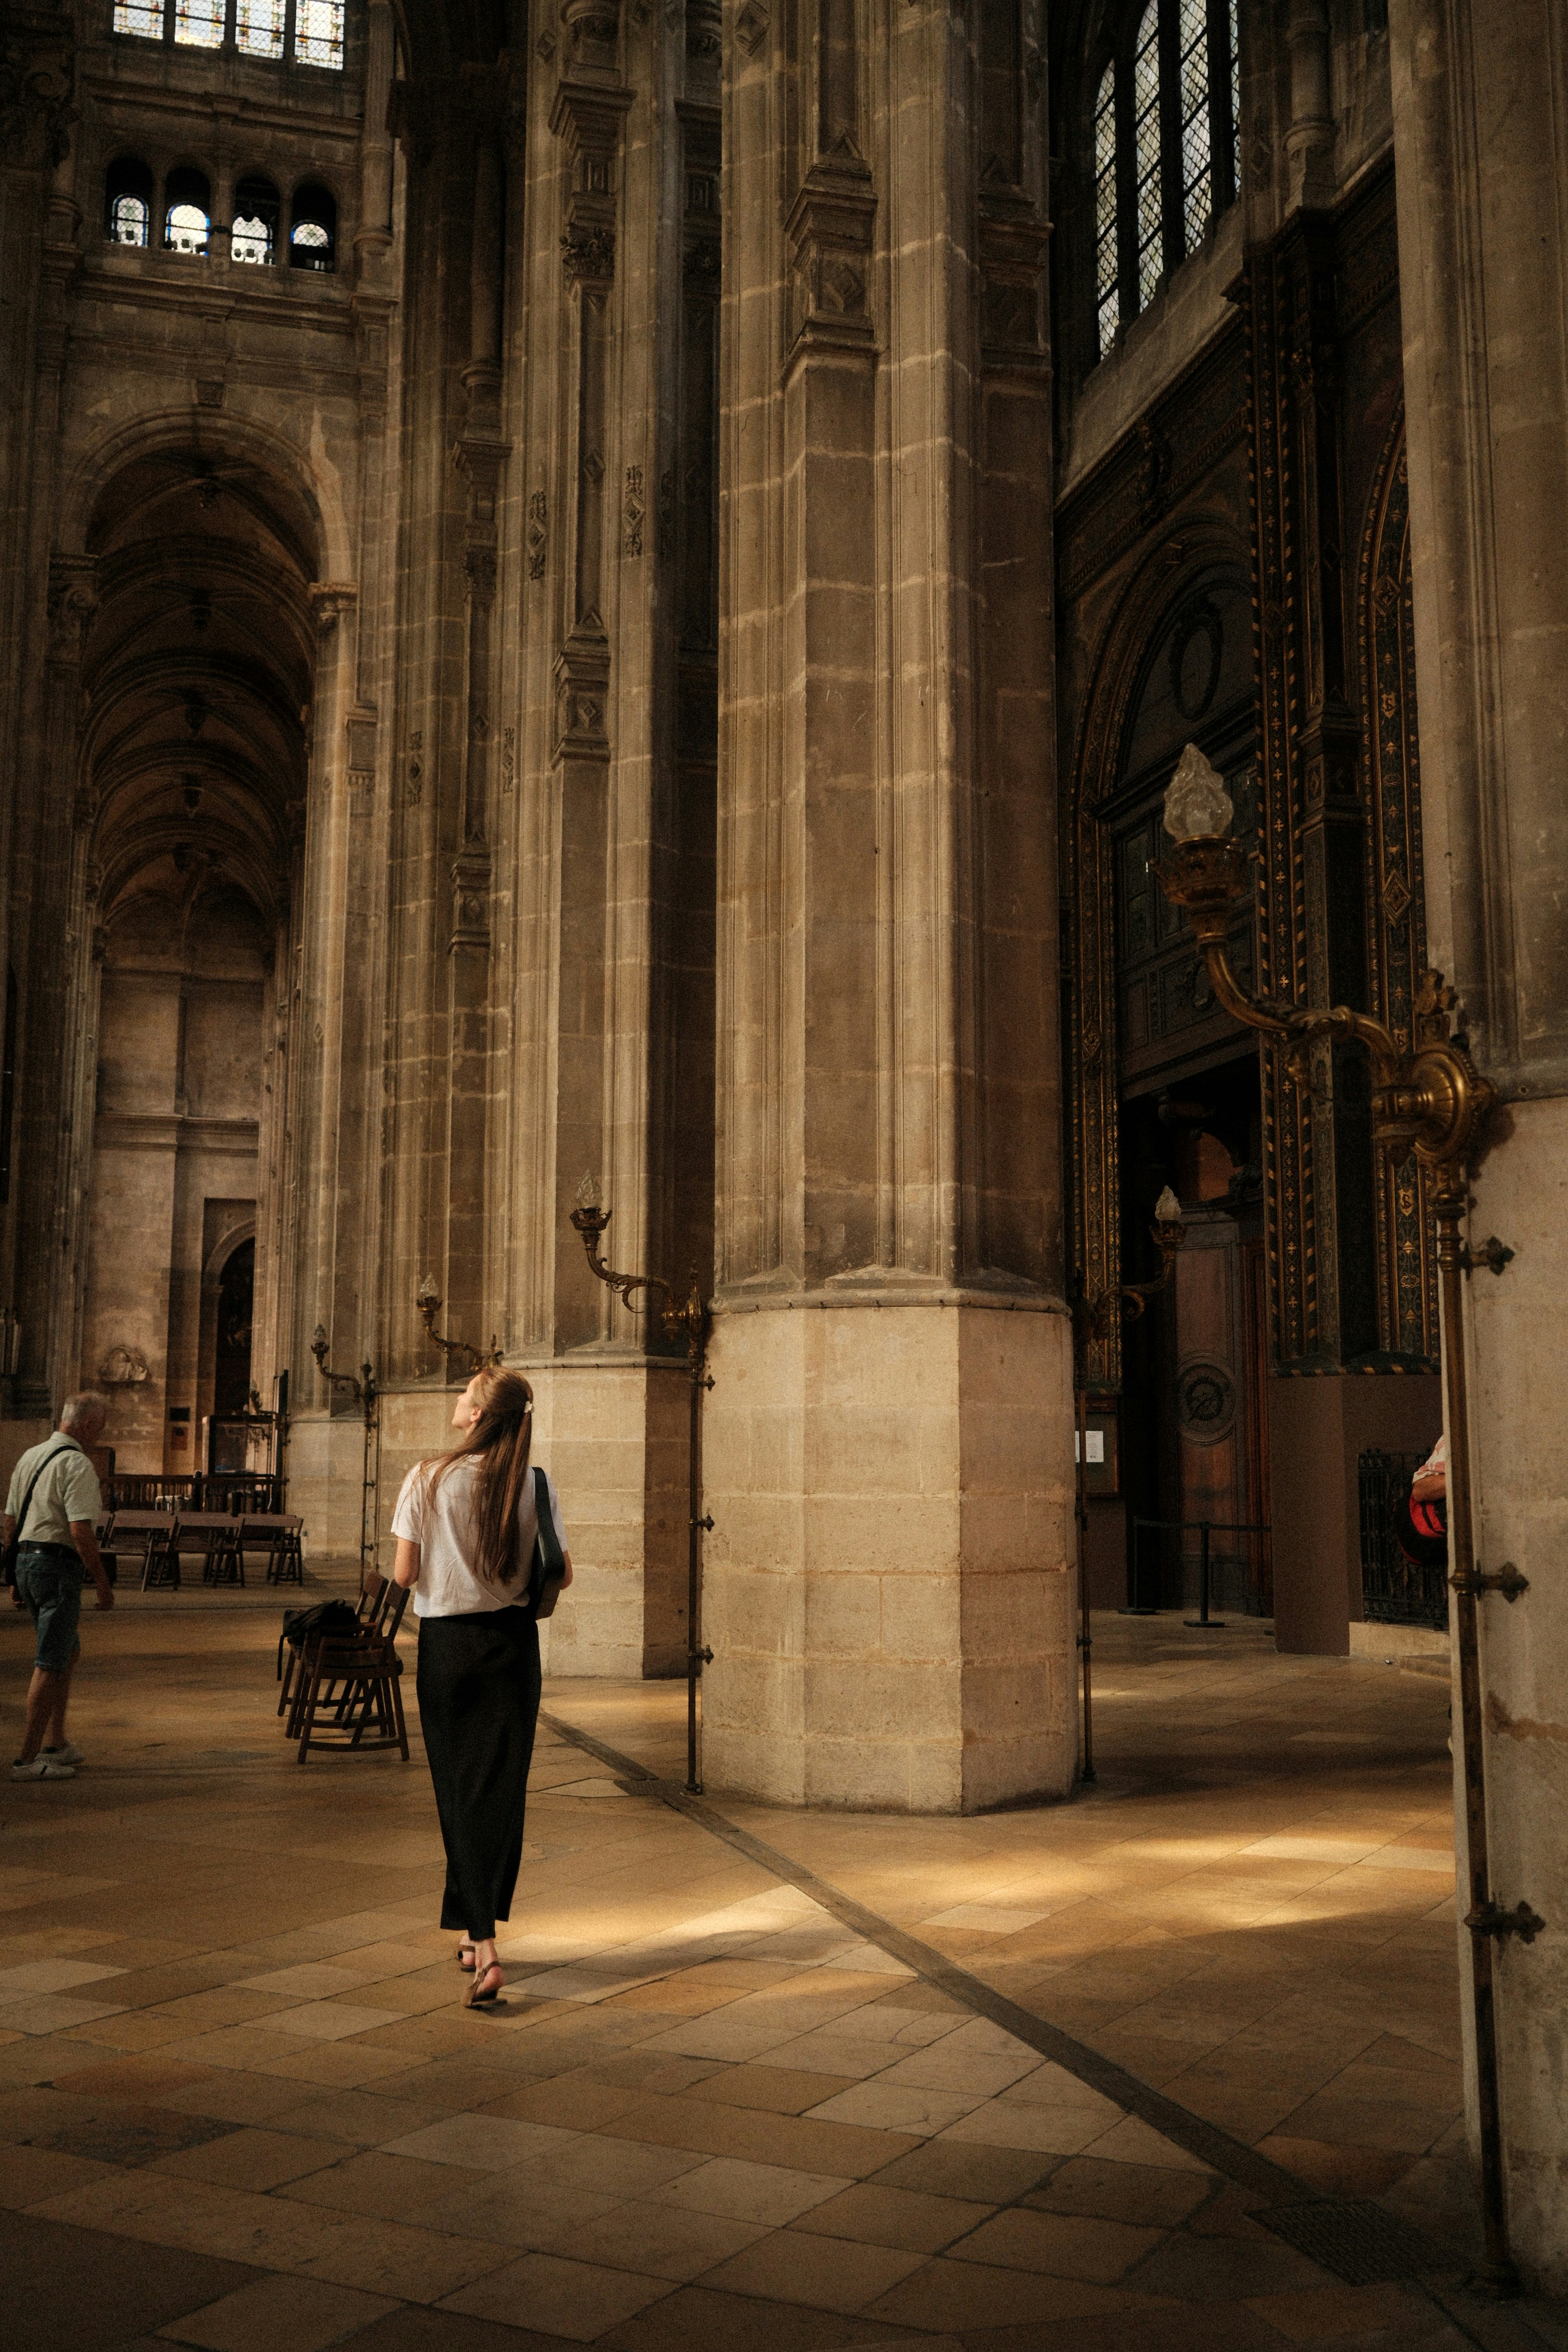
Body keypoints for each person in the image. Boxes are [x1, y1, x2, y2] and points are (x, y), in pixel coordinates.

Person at [391, 1366, 571, 2009]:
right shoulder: (534, 1483)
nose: (457, 1396)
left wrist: (450, 1567)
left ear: (477, 1416)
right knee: (498, 1792)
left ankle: (486, 1948)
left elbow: (404, 1574)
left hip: (449, 1649)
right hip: (513, 1648)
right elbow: (562, 1573)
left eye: (465, 1392)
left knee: (456, 1789)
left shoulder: (428, 1477)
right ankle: (472, 1930)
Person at [5, 1392, 115, 1781]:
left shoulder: (30, 1456)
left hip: (28, 1562)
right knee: (51, 1661)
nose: (99, 1436)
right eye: (99, 1429)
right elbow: (80, 1531)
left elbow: (11, 1522)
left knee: (67, 1651)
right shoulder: (77, 1464)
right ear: (86, 1425)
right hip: (56, 1566)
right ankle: (27, 1759)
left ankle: (57, 1743)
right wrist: (102, 1583)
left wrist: (15, 1575)